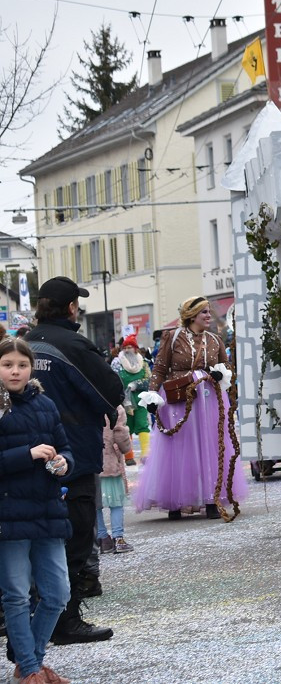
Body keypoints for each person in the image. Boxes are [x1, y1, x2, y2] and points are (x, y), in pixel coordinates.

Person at [25, 276, 124, 645]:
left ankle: (24, 614)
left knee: (28, 536)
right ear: (70, 308)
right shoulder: (74, 345)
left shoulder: (21, 345)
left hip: (23, 456)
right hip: (72, 454)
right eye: (77, 304)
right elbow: (109, 391)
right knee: (75, 535)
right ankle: (65, 620)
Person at [0, 338, 74, 684]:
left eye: (21, 364)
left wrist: (63, 463)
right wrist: (27, 455)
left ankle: (31, 661)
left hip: (47, 511)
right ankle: (30, 669)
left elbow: (67, 448)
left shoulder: (45, 403)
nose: (15, 371)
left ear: (31, 368)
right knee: (15, 596)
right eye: (7, 364)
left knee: (58, 592)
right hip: (9, 513)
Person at [134, 296, 247, 520]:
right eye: (204, 312)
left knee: (211, 446)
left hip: (211, 399)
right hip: (179, 397)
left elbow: (227, 366)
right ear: (191, 315)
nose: (208, 316)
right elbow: (160, 367)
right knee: (179, 448)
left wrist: (220, 372)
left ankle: (212, 498)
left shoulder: (215, 339)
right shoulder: (172, 337)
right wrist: (153, 395)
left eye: (208, 312)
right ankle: (176, 502)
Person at [97, 405, 133, 555]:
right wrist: (126, 448)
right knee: (116, 503)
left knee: (96, 504)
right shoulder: (114, 406)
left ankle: (102, 539)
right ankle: (118, 538)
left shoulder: (84, 400)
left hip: (92, 462)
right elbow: (120, 434)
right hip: (111, 462)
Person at [115, 335, 151, 461]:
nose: (128, 350)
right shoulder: (117, 363)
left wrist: (137, 384)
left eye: (130, 347)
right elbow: (112, 379)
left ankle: (145, 454)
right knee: (127, 426)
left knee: (142, 424)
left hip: (141, 398)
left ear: (135, 349)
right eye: (125, 347)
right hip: (125, 399)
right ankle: (128, 456)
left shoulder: (143, 363)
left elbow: (149, 379)